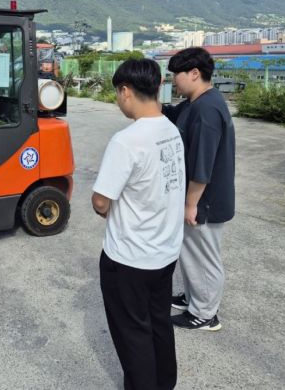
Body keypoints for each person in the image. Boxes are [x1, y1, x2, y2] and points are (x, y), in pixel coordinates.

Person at [92, 58, 185, 390]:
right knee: (159, 322)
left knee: (133, 332)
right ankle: (164, 382)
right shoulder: (170, 130)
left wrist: (107, 208)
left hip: (129, 258)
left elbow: (101, 201)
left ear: (126, 91)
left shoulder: (127, 140)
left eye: (118, 94)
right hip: (165, 252)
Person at [163, 47, 235, 332]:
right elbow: (170, 113)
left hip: (205, 200)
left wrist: (191, 203)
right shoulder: (196, 102)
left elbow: (203, 166)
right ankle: (194, 297)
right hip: (199, 198)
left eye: (175, 76)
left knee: (204, 257)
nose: (173, 82)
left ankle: (205, 314)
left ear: (194, 73)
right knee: (190, 252)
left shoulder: (207, 109)